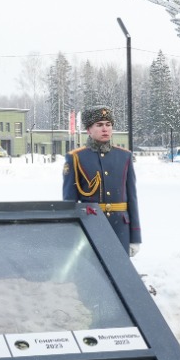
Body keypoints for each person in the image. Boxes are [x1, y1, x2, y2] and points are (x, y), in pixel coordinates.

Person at [62, 105, 141, 256]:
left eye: (108, 125)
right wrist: (71, 234)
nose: (105, 129)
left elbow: (132, 198)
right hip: (91, 226)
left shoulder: (124, 156)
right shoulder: (76, 157)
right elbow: (69, 202)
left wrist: (135, 237)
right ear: (88, 130)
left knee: (121, 274)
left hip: (120, 229)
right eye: (99, 125)